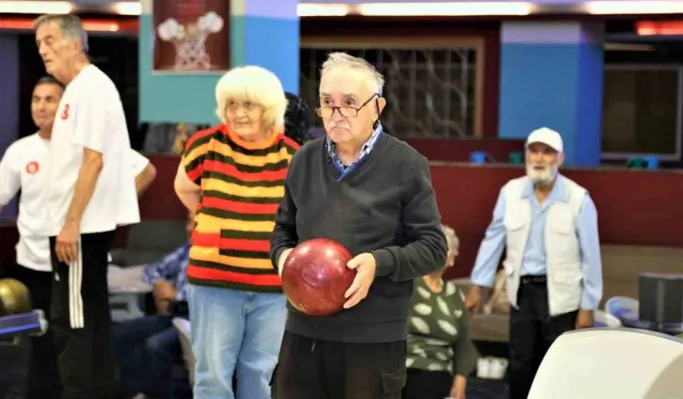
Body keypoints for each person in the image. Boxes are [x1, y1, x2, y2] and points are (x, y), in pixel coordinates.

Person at [270, 52, 448, 399]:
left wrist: (377, 264)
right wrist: (285, 260)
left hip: (372, 339)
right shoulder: (303, 159)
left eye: (349, 103)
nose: (336, 115)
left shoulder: (407, 165)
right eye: (327, 103)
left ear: (377, 107)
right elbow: (282, 231)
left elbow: (433, 248)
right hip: (304, 332)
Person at [0, 76, 156, 399]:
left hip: (77, 260)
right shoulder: (21, 150)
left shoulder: (85, 149)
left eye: (50, 100)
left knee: (79, 346)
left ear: (66, 107)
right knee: (39, 351)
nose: (42, 106)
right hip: (32, 265)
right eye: (36, 99)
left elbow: (146, 171)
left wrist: (107, 212)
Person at [173, 65, 299, 399]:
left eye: (248, 105)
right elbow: (185, 190)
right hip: (214, 283)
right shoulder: (204, 145)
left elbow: (299, 216)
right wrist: (211, 218)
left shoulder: (292, 156)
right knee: (212, 375)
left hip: (271, 287)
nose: (238, 113)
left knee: (261, 374)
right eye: (231, 104)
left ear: (267, 109)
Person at [34, 14, 141, 399]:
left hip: (80, 230)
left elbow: (93, 161)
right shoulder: (78, 90)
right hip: (74, 227)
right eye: (39, 44)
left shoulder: (93, 88)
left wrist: (71, 223)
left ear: (75, 43)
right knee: (88, 320)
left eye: (49, 40)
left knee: (72, 324)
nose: (43, 50)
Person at [465, 127, 603, 399]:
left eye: (548, 152)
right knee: (520, 365)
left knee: (558, 366)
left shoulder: (579, 200)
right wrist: (477, 285)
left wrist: (589, 306)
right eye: (534, 150)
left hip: (562, 297)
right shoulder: (511, 192)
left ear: (560, 158)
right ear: (527, 155)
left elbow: (591, 258)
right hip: (522, 293)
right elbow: (493, 239)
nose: (540, 158)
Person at [113, 212, 193, 399]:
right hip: (174, 315)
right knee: (120, 333)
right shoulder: (188, 248)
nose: (188, 227)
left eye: (193, 222)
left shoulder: (218, 252)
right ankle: (133, 392)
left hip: (198, 322)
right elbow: (152, 270)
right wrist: (161, 286)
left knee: (154, 346)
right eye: (188, 221)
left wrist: (176, 295)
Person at [404, 225, 474, 399]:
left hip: (440, 372)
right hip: (407, 367)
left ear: (451, 259)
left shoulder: (455, 295)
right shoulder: (408, 285)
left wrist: (460, 381)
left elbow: (463, 344)